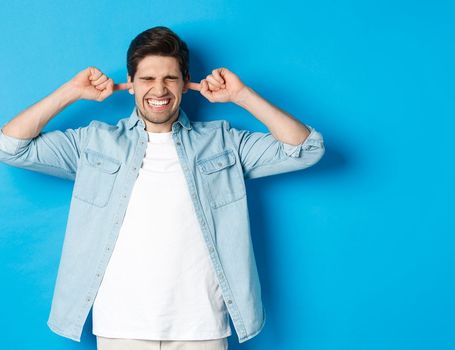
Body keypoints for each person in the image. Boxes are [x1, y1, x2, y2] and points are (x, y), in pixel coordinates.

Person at [0, 26, 325, 350]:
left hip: (201, 324)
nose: (159, 89)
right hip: (121, 324)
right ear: (130, 83)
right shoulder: (94, 142)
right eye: (147, 79)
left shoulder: (223, 142)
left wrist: (242, 96)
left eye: (170, 78)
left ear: (185, 83)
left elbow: (307, 148)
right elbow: (10, 146)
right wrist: (71, 91)